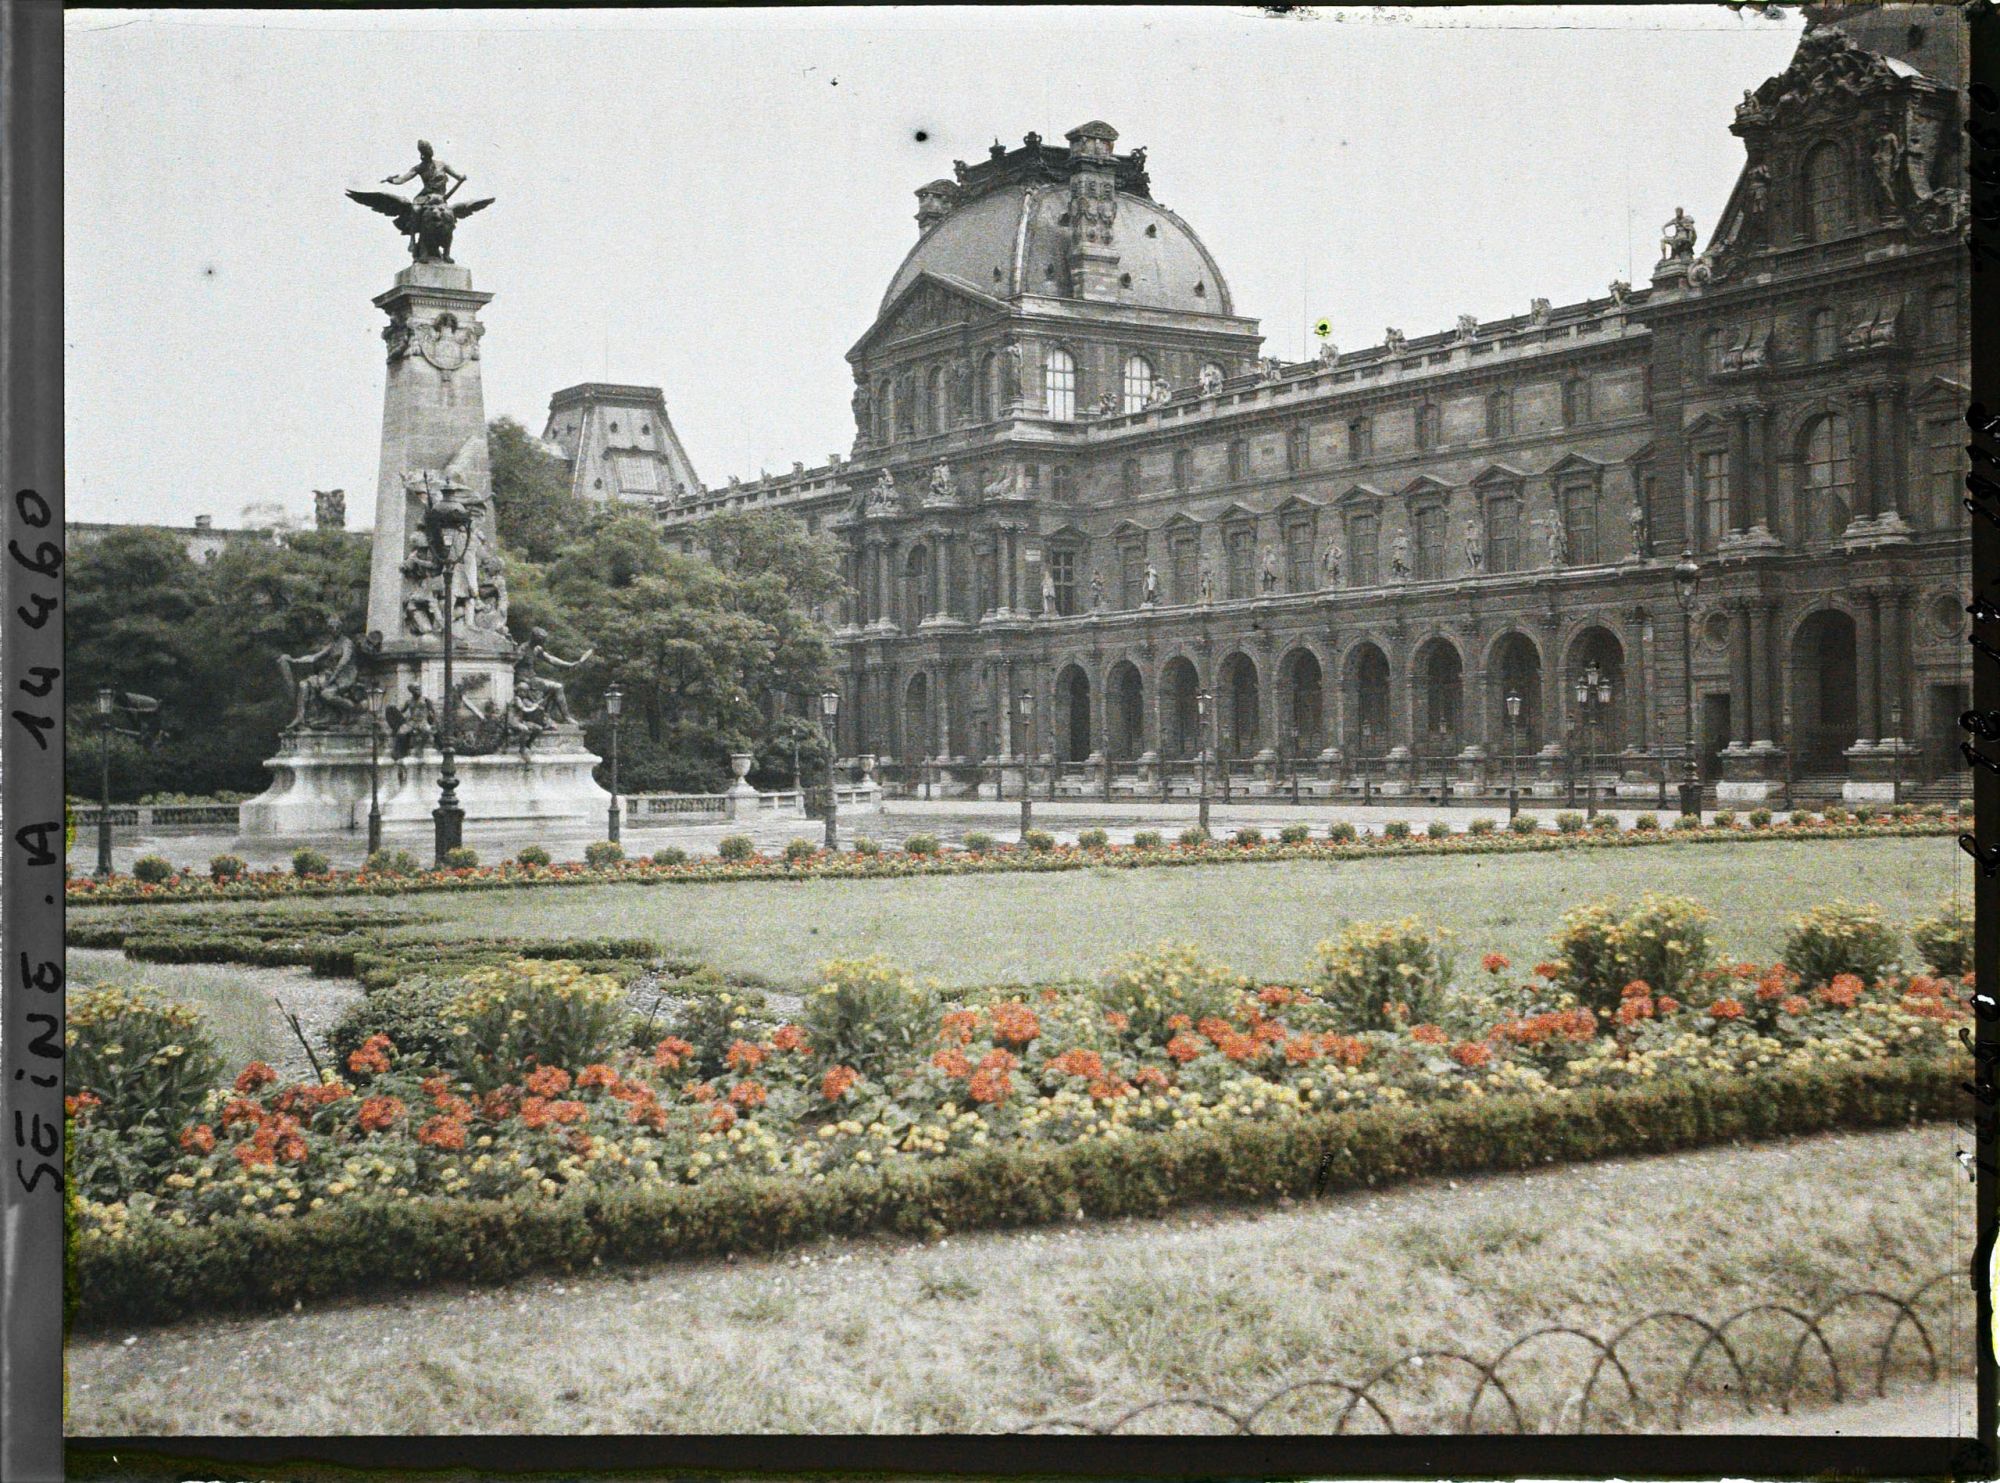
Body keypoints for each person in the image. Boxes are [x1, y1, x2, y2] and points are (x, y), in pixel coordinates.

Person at [383, 139, 464, 207]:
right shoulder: (419, 168)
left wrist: (461, 177)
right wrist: (392, 180)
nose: (430, 150)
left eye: (430, 148)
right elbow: (403, 179)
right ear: (423, 153)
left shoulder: (442, 165)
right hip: (425, 196)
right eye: (427, 149)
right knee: (415, 209)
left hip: (440, 196)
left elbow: (457, 176)